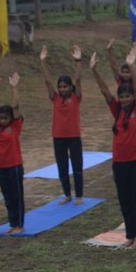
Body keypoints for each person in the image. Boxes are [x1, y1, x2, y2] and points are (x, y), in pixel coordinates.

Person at [90, 45, 136, 248]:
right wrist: (94, 71)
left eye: (127, 97)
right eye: (122, 97)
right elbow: (105, 91)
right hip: (120, 162)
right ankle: (130, 235)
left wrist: (131, 67)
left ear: (133, 97)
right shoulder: (117, 110)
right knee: (124, 199)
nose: (124, 100)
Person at [39, 44, 85, 205]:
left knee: (77, 167)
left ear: (70, 87)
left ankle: (79, 195)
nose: (62, 89)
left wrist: (78, 61)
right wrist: (43, 61)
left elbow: (77, 79)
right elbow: (46, 80)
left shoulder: (76, 97)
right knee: (62, 167)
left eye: (65, 86)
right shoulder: (55, 98)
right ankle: (67, 194)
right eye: (60, 87)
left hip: (73, 136)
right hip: (58, 137)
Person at [0, 72, 25, 234]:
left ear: (11, 118)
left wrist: (14, 88)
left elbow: (16, 107)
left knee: (16, 196)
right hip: (0, 166)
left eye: (6, 118)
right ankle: (12, 224)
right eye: (1, 118)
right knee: (7, 196)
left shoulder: (16, 126)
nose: (3, 120)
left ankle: (19, 225)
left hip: (14, 166)